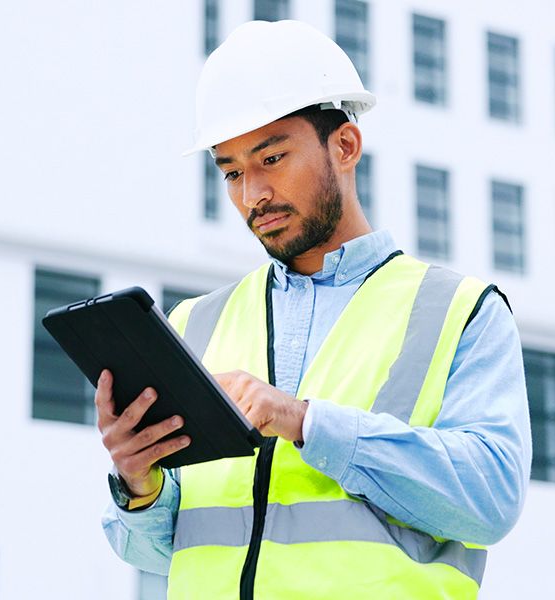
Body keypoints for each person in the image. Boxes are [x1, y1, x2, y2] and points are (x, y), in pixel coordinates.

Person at [99, 20, 531, 600]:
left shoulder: (459, 311)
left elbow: (490, 501)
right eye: (231, 172)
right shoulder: (191, 325)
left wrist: (306, 422)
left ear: (345, 146)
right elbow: (155, 552)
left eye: (271, 158)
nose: (252, 195)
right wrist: (138, 484)